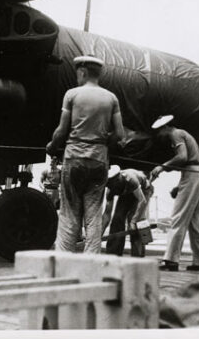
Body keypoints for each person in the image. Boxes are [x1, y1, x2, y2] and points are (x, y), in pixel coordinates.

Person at [46, 55, 124, 254]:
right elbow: (120, 135)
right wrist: (103, 143)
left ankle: (63, 261)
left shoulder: (72, 95)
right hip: (99, 161)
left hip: (74, 159)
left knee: (69, 214)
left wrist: (52, 146)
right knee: (93, 217)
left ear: (82, 71)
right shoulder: (111, 98)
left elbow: (61, 131)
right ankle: (92, 263)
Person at [150, 115, 199, 271]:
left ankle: (170, 260)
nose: (159, 136)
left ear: (165, 128)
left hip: (192, 175)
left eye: (159, 132)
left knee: (178, 217)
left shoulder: (175, 134)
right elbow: (190, 161)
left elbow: (183, 157)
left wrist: (161, 167)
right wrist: (179, 186)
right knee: (196, 221)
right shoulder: (184, 134)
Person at [102, 166, 154, 257]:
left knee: (136, 222)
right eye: (109, 185)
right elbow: (107, 214)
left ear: (119, 178)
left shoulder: (131, 180)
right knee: (117, 218)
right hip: (127, 193)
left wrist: (134, 221)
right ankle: (113, 253)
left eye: (114, 184)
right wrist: (99, 233)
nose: (112, 187)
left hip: (144, 190)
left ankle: (138, 255)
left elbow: (142, 201)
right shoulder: (110, 190)